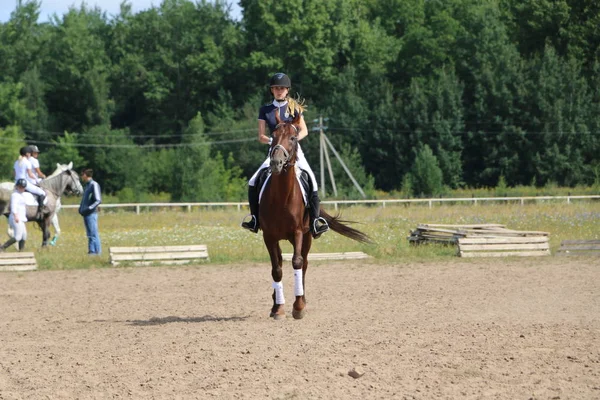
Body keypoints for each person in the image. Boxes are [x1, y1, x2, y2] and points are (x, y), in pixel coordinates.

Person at [241, 72, 329, 238]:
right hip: (274, 152)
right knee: (253, 181)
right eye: (275, 88)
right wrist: (275, 144)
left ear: (287, 90)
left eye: (281, 88)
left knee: (312, 180)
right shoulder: (265, 110)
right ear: (272, 91)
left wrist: (292, 143)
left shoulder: (294, 107)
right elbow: (261, 136)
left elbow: (304, 131)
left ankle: (315, 221)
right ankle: (254, 219)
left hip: (294, 152)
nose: (279, 91)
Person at [13, 146, 45, 218]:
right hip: (24, 183)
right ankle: (40, 213)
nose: (30, 155)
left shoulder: (16, 162)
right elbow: (30, 175)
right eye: (30, 154)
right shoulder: (27, 162)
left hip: (16, 183)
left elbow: (14, 174)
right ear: (27, 154)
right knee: (42, 193)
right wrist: (37, 179)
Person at [0, 179, 28, 252]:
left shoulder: (21, 195)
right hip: (16, 218)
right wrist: (15, 215)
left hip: (21, 218)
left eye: (23, 187)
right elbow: (13, 206)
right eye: (21, 187)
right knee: (18, 237)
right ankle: (2, 247)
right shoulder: (15, 195)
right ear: (17, 187)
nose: (22, 188)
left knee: (24, 236)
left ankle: (21, 252)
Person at [79, 169, 102, 255]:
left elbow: (98, 200)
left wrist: (89, 208)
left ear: (85, 175)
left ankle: (96, 252)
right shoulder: (87, 186)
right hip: (86, 214)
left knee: (93, 234)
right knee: (90, 234)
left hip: (91, 214)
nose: (81, 177)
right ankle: (91, 251)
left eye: (82, 175)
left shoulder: (94, 185)